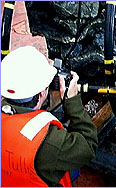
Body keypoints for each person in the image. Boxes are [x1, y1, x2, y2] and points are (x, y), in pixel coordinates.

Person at [1, 46, 98, 187]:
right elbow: (88, 146)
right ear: (42, 94)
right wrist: (72, 101)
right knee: (72, 168)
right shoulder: (49, 142)